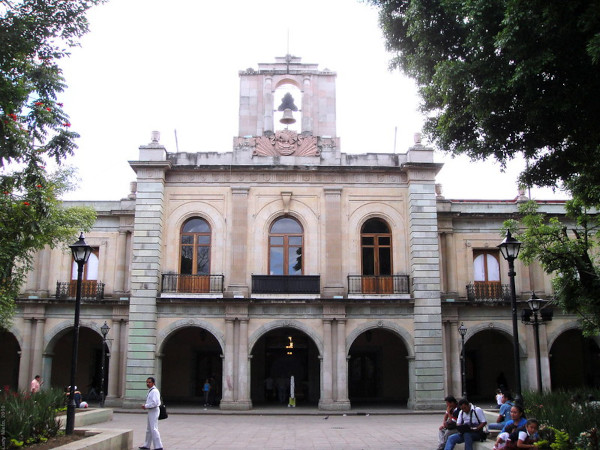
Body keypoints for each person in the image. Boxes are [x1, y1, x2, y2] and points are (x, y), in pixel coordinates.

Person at [140, 377, 163, 450]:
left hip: (154, 410)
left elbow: (155, 403)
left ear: (153, 383)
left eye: (149, 382)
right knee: (149, 429)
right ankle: (146, 445)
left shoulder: (154, 391)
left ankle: (158, 446)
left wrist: (146, 406)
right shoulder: (150, 391)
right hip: (151, 410)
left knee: (154, 428)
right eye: (147, 382)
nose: (147, 383)